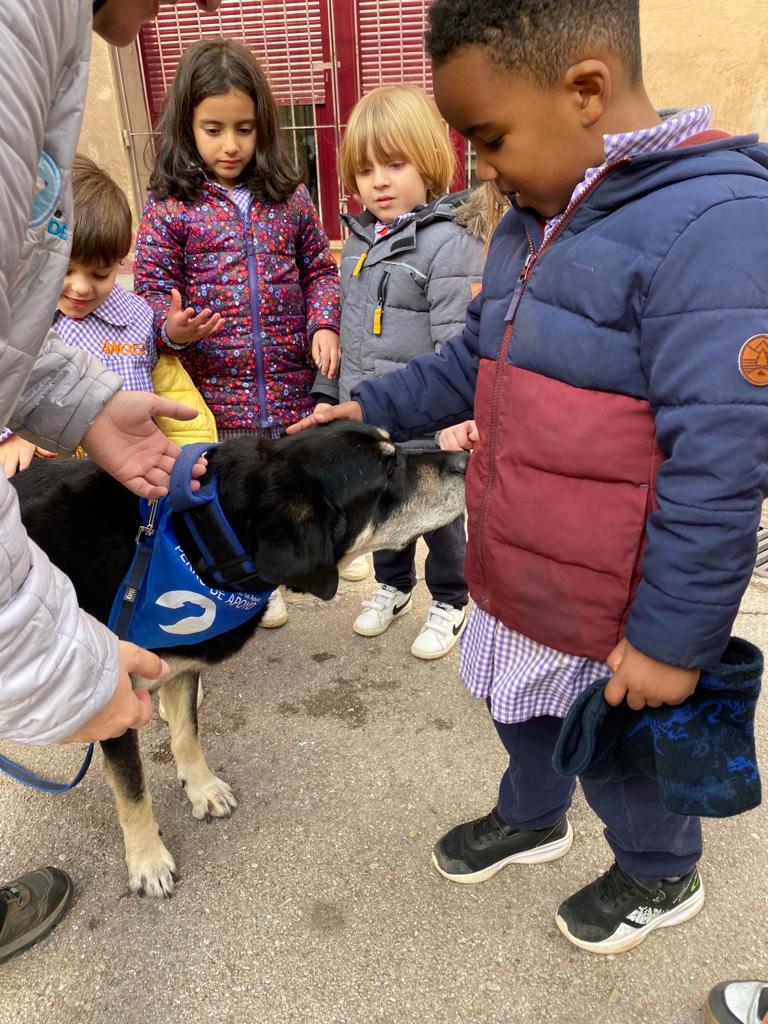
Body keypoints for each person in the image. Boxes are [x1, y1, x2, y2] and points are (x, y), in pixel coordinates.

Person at [288, 0, 768, 954]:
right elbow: (473, 361)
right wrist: (367, 407)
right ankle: (534, 816)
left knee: (621, 754)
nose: (482, 168)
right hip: (524, 562)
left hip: (619, 603)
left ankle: (658, 870)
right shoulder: (531, 217)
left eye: (490, 138)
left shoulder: (715, 227)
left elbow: (719, 470)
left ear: (585, 90)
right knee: (522, 709)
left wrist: (671, 641)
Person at [0, 0, 223, 965]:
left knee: (153, 658)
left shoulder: (40, 36)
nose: (200, 8)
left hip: (119, 476)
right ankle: (137, 821)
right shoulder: (17, 37)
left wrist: (80, 404)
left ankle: (188, 756)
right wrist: (60, 668)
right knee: (120, 662)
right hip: (55, 506)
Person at [134, 38, 342, 630]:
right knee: (233, 489)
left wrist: (323, 321)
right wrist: (171, 329)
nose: (230, 145)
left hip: (290, 386)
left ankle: (299, 560)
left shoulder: (290, 197)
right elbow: (149, 292)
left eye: (244, 129)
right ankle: (250, 581)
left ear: (263, 127)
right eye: (214, 129)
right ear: (187, 126)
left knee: (289, 479)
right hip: (215, 394)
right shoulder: (170, 206)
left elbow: (320, 269)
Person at [329, 84, 483, 659]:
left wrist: (454, 418)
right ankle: (392, 587)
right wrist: (335, 391)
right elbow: (347, 326)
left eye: (395, 164)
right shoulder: (357, 242)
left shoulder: (449, 244)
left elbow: (458, 339)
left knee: (439, 516)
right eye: (365, 169)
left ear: (430, 161)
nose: (379, 182)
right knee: (382, 507)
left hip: (428, 415)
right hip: (373, 413)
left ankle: (450, 600)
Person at [0, 154, 218, 475]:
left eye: (100, 274)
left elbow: (171, 388)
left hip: (137, 471)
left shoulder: (136, 316)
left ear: (119, 260)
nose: (81, 288)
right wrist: (15, 434)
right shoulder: (16, 322)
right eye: (64, 271)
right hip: (55, 485)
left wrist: (188, 454)